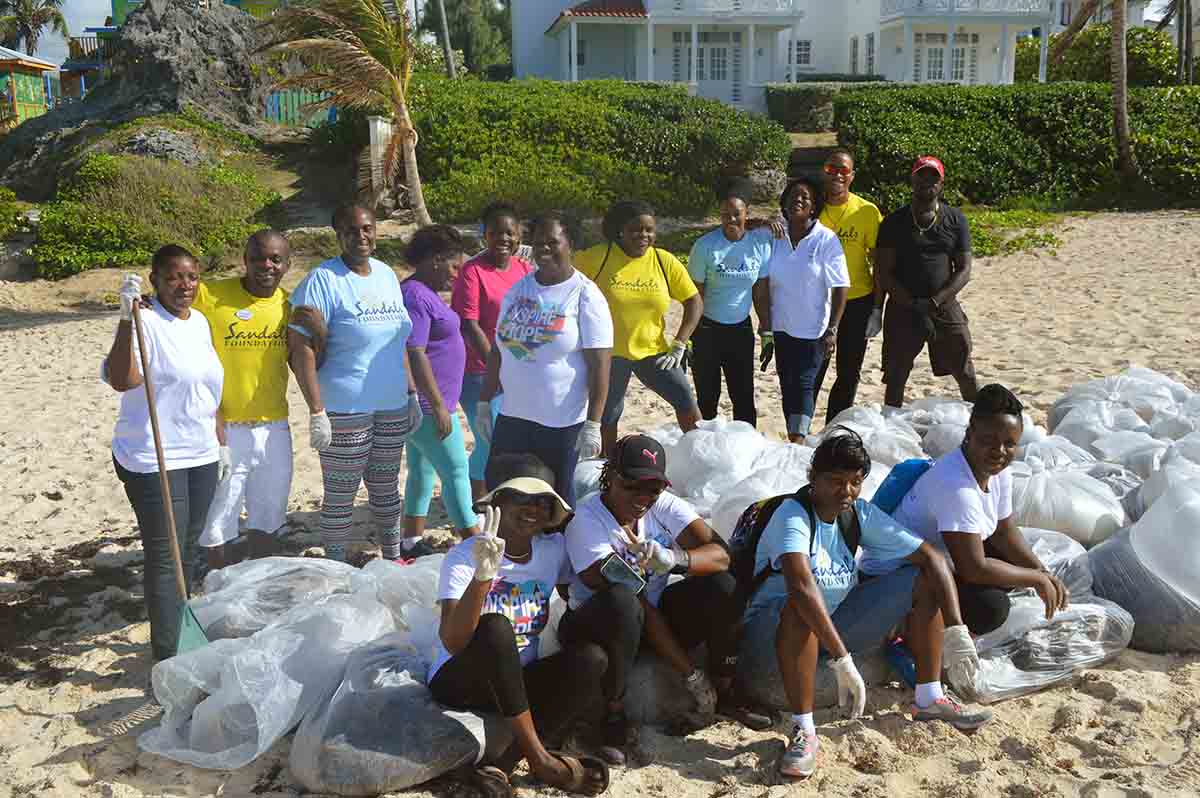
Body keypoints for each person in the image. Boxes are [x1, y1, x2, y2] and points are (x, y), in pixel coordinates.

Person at [740, 430, 990, 779]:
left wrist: (956, 631)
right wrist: (844, 660)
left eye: (855, 482)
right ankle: (803, 731)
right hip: (769, 642)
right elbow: (800, 585)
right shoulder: (793, 515)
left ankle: (929, 697)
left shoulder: (856, 514)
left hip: (827, 630)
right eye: (835, 481)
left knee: (920, 577)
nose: (846, 492)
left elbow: (931, 558)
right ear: (813, 478)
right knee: (801, 606)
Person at [561, 434, 771, 767]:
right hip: (600, 624)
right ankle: (612, 714)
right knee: (623, 601)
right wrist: (689, 674)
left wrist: (675, 559)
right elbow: (634, 599)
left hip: (651, 614)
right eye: (633, 485)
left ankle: (726, 687)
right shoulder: (586, 522)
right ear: (611, 475)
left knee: (722, 585)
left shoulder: (662, 506)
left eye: (653, 488)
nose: (643, 497)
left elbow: (720, 554)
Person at [429, 454, 609, 796]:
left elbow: (586, 581)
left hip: (517, 681)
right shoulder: (465, 557)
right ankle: (539, 758)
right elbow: (452, 641)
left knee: (591, 659)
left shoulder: (551, 552)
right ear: (497, 502)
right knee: (496, 627)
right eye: (520, 498)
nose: (533, 509)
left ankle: (502, 763)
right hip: (462, 678)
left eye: (542, 502)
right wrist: (483, 579)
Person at [105, 245, 223, 662]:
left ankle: (181, 628)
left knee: (190, 547)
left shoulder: (201, 322)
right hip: (153, 457)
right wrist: (124, 319)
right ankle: (168, 655)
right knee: (165, 554)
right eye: (173, 277)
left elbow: (206, 385)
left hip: (200, 451)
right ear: (155, 279)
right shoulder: (144, 320)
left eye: (191, 276)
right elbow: (122, 379)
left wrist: (217, 434)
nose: (184, 285)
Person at [876, 384, 1071, 635]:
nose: (999, 452)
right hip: (901, 575)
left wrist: (1042, 571)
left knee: (1010, 561)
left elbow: (1003, 531)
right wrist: (1034, 579)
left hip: (945, 556)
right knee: (990, 607)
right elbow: (973, 568)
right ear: (970, 434)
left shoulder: (998, 472)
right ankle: (914, 629)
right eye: (988, 440)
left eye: (1009, 444)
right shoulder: (955, 486)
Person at [287, 204, 422, 562]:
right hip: (346, 408)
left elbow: (399, 340)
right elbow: (300, 348)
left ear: (375, 231)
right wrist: (317, 410)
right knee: (341, 494)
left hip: (391, 405)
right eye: (351, 230)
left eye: (366, 228)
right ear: (338, 235)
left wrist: (411, 393)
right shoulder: (323, 280)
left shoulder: (386, 275)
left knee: (386, 490)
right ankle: (335, 565)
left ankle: (393, 558)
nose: (360, 236)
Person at [478, 211, 612, 504]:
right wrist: (484, 402)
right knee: (505, 495)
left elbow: (600, 365)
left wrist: (593, 424)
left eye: (553, 242)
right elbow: (498, 349)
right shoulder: (519, 290)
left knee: (554, 501)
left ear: (571, 244)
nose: (544, 249)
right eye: (538, 243)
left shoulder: (585, 295)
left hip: (561, 423)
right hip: (513, 417)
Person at [193, 230, 294, 571]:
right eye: (258, 257)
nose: (266, 265)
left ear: (287, 264)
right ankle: (217, 579)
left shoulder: (289, 306)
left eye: (275, 259)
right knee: (220, 513)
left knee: (269, 511)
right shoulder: (210, 295)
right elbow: (169, 299)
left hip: (275, 425)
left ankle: (259, 577)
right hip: (224, 427)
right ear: (245, 260)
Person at [576, 201, 703, 454]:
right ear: (620, 230)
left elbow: (694, 301)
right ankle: (608, 466)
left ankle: (700, 454)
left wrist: (680, 342)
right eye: (636, 230)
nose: (643, 236)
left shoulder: (663, 260)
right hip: (609, 356)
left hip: (654, 352)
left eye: (649, 230)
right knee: (608, 415)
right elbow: (563, 279)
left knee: (686, 400)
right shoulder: (597, 257)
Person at [875, 156, 979, 411]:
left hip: (943, 305)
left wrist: (934, 302)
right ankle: (891, 425)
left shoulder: (956, 220)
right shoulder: (893, 222)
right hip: (903, 306)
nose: (927, 182)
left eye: (933, 177)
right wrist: (911, 304)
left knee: (964, 368)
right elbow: (883, 272)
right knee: (897, 374)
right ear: (912, 179)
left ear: (941, 183)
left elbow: (963, 270)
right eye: (922, 175)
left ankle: (980, 417)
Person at [401, 224, 481, 544]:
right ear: (435, 260)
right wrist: (436, 405)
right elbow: (414, 350)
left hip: (430, 405)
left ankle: (410, 542)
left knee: (422, 473)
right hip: (427, 407)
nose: (457, 274)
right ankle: (476, 545)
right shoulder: (415, 296)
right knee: (457, 472)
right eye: (453, 266)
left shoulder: (424, 292)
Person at [452, 203, 534, 500]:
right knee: (491, 438)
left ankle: (498, 492)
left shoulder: (524, 269)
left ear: (519, 236)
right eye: (496, 233)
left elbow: (530, 319)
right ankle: (479, 500)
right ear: (484, 235)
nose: (504, 239)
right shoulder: (472, 272)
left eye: (510, 233)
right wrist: (498, 368)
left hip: (515, 371)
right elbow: (469, 325)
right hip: (477, 371)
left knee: (511, 438)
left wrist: (525, 364)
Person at [759, 177, 850, 442]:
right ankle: (794, 436)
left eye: (805, 198)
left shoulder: (826, 239)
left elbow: (840, 286)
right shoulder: (774, 235)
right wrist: (766, 327)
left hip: (815, 331)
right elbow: (740, 228)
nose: (798, 200)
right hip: (782, 327)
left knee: (804, 384)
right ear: (784, 205)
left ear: (813, 208)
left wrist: (832, 329)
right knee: (787, 384)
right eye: (792, 197)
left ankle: (798, 439)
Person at [686, 177, 775, 427]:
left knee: (744, 397)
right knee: (707, 399)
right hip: (707, 331)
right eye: (725, 214)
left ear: (747, 213)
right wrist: (688, 337)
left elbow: (761, 294)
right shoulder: (705, 246)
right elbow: (695, 296)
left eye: (737, 214)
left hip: (740, 330)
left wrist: (767, 331)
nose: (731, 219)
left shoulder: (759, 244)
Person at [812, 149, 886, 423]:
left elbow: (878, 264)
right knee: (814, 367)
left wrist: (878, 308)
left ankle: (834, 425)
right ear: (823, 171)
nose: (837, 175)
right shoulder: (811, 206)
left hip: (857, 301)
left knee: (848, 371)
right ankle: (802, 424)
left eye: (844, 170)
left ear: (852, 175)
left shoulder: (866, 211)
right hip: (817, 303)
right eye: (832, 169)